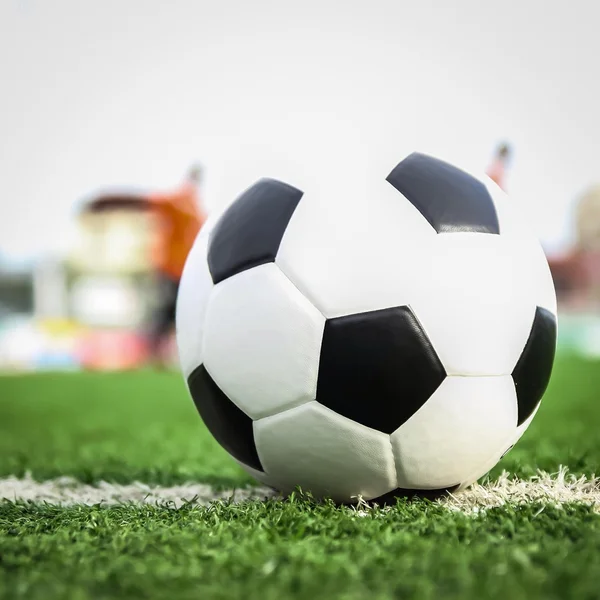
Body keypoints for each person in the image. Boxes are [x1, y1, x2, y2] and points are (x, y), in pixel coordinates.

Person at [146, 165, 207, 366]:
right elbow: (155, 201)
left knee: (179, 314)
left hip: (185, 272)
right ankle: (153, 356)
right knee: (164, 313)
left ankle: (169, 356)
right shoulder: (180, 200)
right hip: (170, 270)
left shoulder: (195, 206)